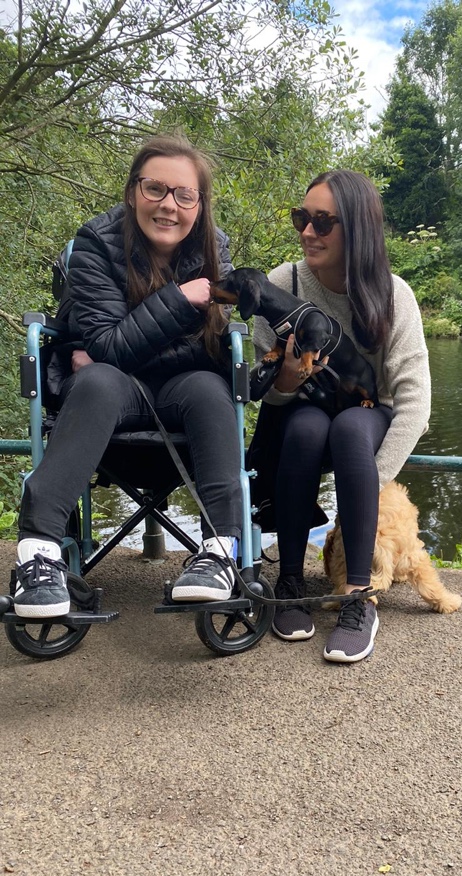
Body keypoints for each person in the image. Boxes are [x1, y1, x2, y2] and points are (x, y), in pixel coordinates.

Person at [14, 134, 242, 618]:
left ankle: (220, 552)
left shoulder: (214, 249)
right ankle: (38, 554)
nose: (168, 205)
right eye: (155, 188)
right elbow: (108, 348)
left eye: (184, 195)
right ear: (133, 191)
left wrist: (115, 349)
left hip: (184, 391)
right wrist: (180, 301)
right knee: (98, 381)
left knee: (210, 388)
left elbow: (204, 350)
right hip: (110, 395)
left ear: (200, 205)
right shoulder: (95, 243)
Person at [249, 169, 431, 663]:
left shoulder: (394, 295)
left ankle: (359, 595)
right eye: (302, 218)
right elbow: (268, 397)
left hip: (367, 417)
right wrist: (286, 382)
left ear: (359, 229)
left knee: (350, 429)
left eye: (323, 222)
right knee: (307, 428)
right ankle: (289, 581)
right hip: (302, 413)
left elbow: (414, 402)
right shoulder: (283, 284)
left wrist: (369, 484)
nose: (308, 232)